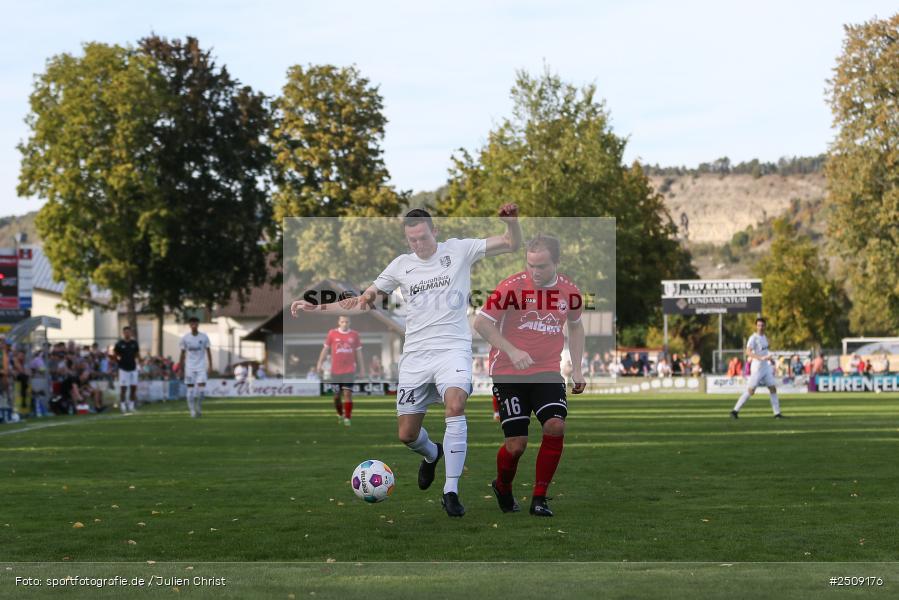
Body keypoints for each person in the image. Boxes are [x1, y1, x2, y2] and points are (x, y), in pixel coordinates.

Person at [291, 204, 521, 517]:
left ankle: (450, 490)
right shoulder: (401, 265)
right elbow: (361, 302)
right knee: (407, 434)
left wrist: (513, 223)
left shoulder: (460, 250)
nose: (417, 244)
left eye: (422, 238)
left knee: (455, 405)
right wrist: (317, 306)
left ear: (434, 231)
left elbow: (510, 243)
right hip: (415, 356)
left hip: (453, 348)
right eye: (411, 240)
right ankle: (432, 454)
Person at [474, 234, 586, 517]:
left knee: (556, 426)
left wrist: (578, 367)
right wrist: (512, 351)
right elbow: (482, 324)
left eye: (542, 266)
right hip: (508, 373)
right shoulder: (511, 287)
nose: (534, 272)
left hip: (547, 371)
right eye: (530, 265)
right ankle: (503, 485)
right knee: (516, 446)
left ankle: (539, 497)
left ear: (557, 263)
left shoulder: (570, 293)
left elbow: (575, 327)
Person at [317, 315, 366, 426]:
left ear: (350, 323)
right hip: (335, 371)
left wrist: (362, 369)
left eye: (347, 322)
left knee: (347, 394)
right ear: (339, 322)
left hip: (350, 370)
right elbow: (325, 349)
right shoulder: (332, 333)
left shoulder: (354, 335)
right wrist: (319, 363)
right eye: (343, 321)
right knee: (336, 396)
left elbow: (359, 353)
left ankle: (347, 418)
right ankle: (340, 414)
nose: (345, 323)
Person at [731, 317, 783, 419]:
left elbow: (765, 351)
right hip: (757, 368)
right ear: (756, 326)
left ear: (765, 326)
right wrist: (760, 358)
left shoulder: (764, 337)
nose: (760, 327)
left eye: (762, 325)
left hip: (766, 368)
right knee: (751, 391)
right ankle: (734, 411)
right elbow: (748, 352)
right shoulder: (753, 338)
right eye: (759, 325)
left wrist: (770, 360)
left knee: (772, 388)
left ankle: (777, 414)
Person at [179, 317, 212, 418]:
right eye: (191, 323)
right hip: (189, 368)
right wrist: (180, 367)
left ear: (198, 324)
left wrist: (210, 366)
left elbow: (208, 351)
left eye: (195, 323)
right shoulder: (185, 338)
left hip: (201, 367)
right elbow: (182, 354)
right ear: (189, 325)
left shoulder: (204, 337)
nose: (193, 325)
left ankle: (198, 406)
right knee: (190, 391)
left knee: (201, 391)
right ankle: (192, 411)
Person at [114, 326, 140, 413]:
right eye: (125, 332)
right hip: (123, 369)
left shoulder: (134, 343)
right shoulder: (119, 344)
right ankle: (122, 406)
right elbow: (114, 354)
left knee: (133, 388)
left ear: (130, 333)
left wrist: (138, 362)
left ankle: (131, 406)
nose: (127, 334)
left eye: (128, 332)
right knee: (123, 388)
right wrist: (118, 361)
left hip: (133, 368)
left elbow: (137, 354)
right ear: (123, 333)